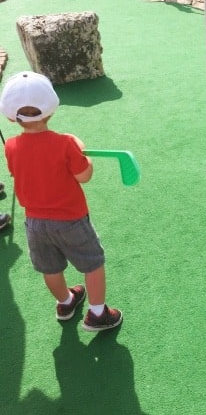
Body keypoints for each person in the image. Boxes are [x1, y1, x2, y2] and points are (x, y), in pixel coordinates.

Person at [0, 71, 122, 331]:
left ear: (11, 116)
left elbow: (20, 169)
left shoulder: (9, 146)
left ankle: (66, 302)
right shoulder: (65, 143)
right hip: (70, 221)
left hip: (34, 224)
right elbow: (84, 175)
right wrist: (81, 151)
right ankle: (98, 314)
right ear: (51, 109)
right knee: (93, 264)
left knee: (50, 268)